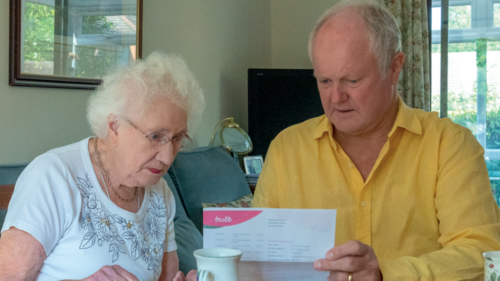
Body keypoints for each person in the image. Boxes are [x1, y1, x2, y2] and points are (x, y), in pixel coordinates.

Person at [252, 1, 500, 280]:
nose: (336, 97)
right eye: (324, 81)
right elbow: (258, 259)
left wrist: (385, 274)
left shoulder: (450, 145)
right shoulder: (287, 150)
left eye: (353, 80)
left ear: (394, 68)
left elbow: (480, 252)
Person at [0, 52, 204, 281]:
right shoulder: (54, 177)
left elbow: (166, 277)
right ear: (115, 126)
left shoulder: (160, 192)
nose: (168, 157)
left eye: (177, 138)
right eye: (156, 136)